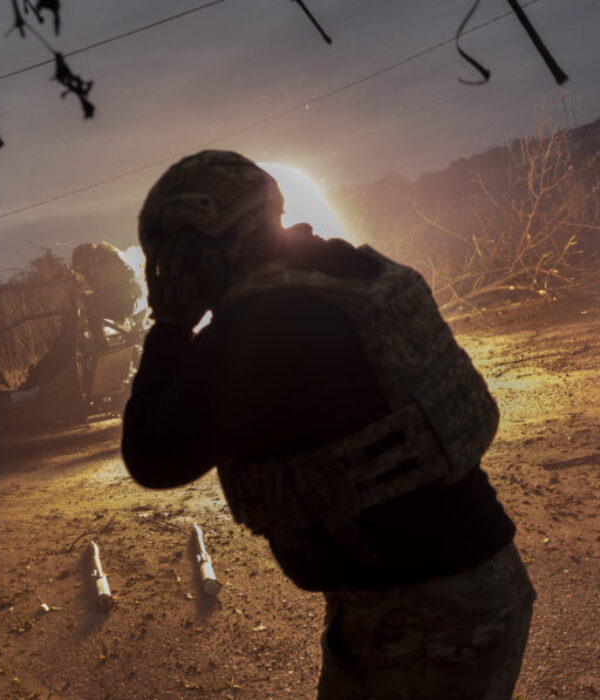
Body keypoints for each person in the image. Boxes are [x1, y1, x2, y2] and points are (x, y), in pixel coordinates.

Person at [121, 150, 534, 699]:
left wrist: (170, 323)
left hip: (429, 610)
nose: (172, 273)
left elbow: (153, 455)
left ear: (222, 242)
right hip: (433, 589)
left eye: (178, 257)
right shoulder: (333, 272)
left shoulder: (259, 328)